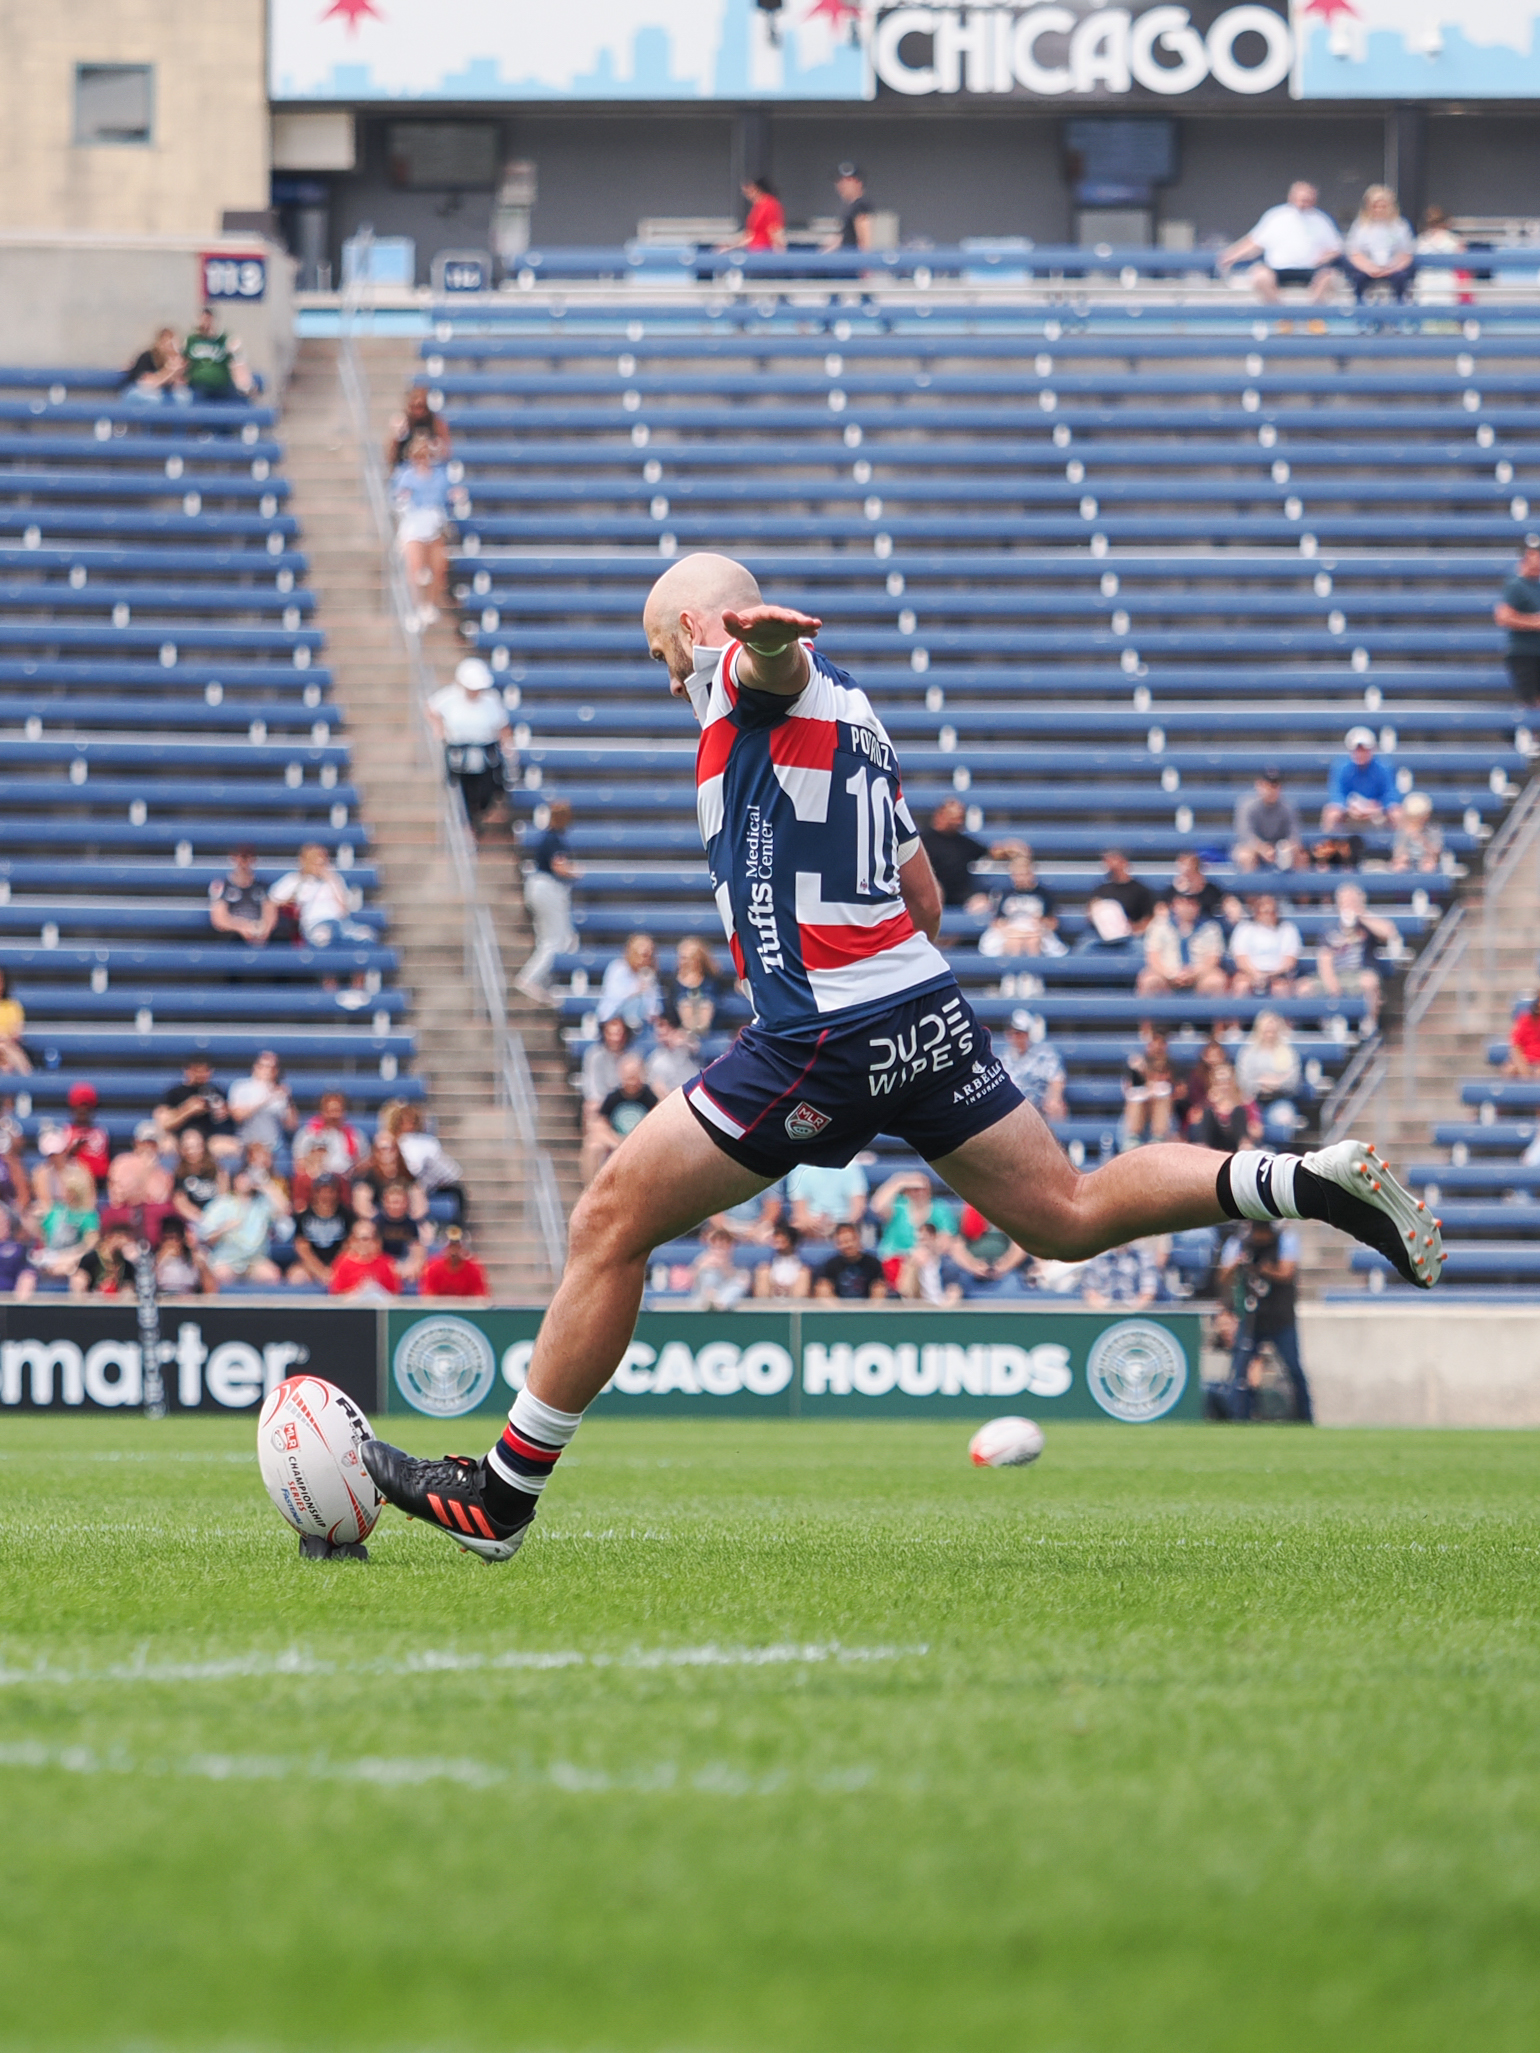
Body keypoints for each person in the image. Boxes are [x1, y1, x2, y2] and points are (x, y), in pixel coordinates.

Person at [359, 550, 1444, 1564]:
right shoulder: (859, 719)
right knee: (1062, 1213)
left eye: (663, 653)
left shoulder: (745, 677)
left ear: (694, 628)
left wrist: (761, 643)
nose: (666, 676)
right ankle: (1297, 1179)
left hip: (820, 1031)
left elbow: (763, 661)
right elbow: (923, 899)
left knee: (608, 1221)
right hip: (918, 1006)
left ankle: (500, 1495)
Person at [1218, 1220, 1312, 1423]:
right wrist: (1238, 1265)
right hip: (1252, 1319)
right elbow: (1223, 1275)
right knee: (1239, 1371)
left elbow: (1286, 1272)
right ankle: (1239, 1417)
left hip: (1281, 1318)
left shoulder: (1285, 1240)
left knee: (1294, 1370)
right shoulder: (1239, 1243)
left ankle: (1306, 1418)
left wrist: (1263, 1269)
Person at [1218, 182, 1343, 304]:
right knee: (1260, 276)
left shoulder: (1322, 220)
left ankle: (1313, 316)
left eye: (1307, 199)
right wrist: (1232, 255)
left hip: (1309, 269)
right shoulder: (1276, 216)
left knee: (1328, 277)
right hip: (1278, 269)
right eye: (1301, 199)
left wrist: (1324, 257)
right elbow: (1254, 242)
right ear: (1292, 197)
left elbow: (1336, 248)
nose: (1303, 203)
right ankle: (1282, 315)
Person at [428, 658, 513, 832]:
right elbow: (431, 709)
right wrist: (440, 728)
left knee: (488, 790)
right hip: (460, 754)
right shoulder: (449, 696)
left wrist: (507, 744)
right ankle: (469, 824)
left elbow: (502, 726)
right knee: (463, 791)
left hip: (485, 754)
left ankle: (476, 817)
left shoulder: (491, 700)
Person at [514, 799, 580, 1005]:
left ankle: (541, 981)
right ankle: (530, 978)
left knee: (551, 938)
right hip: (547, 887)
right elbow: (559, 865)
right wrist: (576, 872)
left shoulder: (550, 838)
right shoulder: (554, 839)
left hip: (539, 886)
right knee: (554, 939)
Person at [1308, 883, 1395, 1033]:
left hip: (1358, 974)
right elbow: (1324, 958)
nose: (1349, 905)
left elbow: (1389, 932)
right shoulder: (1330, 927)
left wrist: (1362, 915)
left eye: (1352, 900)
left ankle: (1369, 1024)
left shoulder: (1367, 924)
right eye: (1345, 901)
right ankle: (1325, 1024)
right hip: (1336, 974)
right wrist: (1332, 984)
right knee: (1304, 988)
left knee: (1370, 981)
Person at [391, 434, 455, 629]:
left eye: (426, 455)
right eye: (419, 456)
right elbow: (397, 499)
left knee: (438, 566)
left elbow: (446, 497)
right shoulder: (405, 476)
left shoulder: (440, 476)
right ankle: (414, 608)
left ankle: (430, 604)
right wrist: (403, 498)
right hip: (414, 524)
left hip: (433, 524)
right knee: (415, 568)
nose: (422, 460)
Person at [919, 799, 1020, 912]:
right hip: (930, 893)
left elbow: (991, 852)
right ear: (940, 816)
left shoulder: (963, 843)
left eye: (960, 818)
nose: (958, 821)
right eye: (954, 817)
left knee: (982, 905)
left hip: (961, 894)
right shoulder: (923, 841)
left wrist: (1010, 849)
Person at [267, 843, 372, 949]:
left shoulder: (334, 879)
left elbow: (344, 910)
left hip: (339, 923)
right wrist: (290, 902)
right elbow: (272, 900)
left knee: (367, 936)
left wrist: (331, 880)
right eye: (314, 861)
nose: (318, 865)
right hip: (315, 924)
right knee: (323, 937)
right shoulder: (295, 880)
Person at [196, 1167, 282, 1287]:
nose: (245, 1181)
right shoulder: (221, 1204)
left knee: (271, 1275)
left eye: (248, 1178)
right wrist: (224, 1228)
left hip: (255, 1259)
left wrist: (265, 1184)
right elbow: (205, 1237)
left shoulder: (262, 1204)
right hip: (227, 1259)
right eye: (242, 1177)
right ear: (235, 1180)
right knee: (220, 1275)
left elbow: (284, 1209)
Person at [583, 1054, 658, 1186]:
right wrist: (617, 1143)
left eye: (635, 1076)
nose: (632, 1081)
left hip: (642, 1141)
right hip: (616, 1140)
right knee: (593, 1145)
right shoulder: (613, 1098)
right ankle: (590, 1188)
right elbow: (600, 1123)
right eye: (629, 1077)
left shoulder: (650, 1097)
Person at [1137, 897, 1228, 1000]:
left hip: (1199, 974)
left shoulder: (1210, 928)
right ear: (1174, 905)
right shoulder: (1159, 926)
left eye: (1192, 904)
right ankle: (1149, 1016)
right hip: (1166, 973)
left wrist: (1193, 974)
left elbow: (1213, 958)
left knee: (1216, 980)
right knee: (1149, 980)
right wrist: (1171, 974)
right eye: (1183, 903)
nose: (1187, 908)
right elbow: (1153, 957)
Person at [101, 1122, 176, 1243]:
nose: (148, 1146)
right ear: (136, 1142)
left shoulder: (164, 1172)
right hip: (126, 1219)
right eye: (145, 1142)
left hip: (153, 1222)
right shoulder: (122, 1162)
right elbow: (122, 1197)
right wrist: (145, 1170)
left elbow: (162, 1199)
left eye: (153, 1143)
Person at [1235, 1011, 1302, 1143]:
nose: (1269, 1031)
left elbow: (1293, 1081)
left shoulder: (1288, 1052)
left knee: (1283, 1119)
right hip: (1253, 1100)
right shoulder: (1247, 1053)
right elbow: (1243, 1081)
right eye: (1266, 1028)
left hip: (1281, 1099)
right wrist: (1269, 1081)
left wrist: (1273, 1083)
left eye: (1272, 1028)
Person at [155, 1057, 239, 1161]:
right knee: (166, 1146)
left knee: (232, 1147)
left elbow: (233, 1117)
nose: (200, 1075)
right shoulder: (175, 1093)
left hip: (209, 1141)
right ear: (187, 1071)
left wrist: (225, 1111)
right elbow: (164, 1123)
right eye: (196, 1071)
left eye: (204, 1071)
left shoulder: (217, 1092)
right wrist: (187, 1110)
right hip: (179, 1140)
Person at [1342, 186, 1416, 303]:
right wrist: (1370, 268)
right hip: (1367, 268)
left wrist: (1391, 268)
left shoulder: (1400, 226)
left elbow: (1406, 254)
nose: (1379, 210)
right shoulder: (1360, 226)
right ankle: (1360, 312)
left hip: (1393, 268)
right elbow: (1354, 253)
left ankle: (1399, 312)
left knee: (1401, 278)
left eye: (1383, 206)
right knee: (1358, 278)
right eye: (1375, 206)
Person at [1077, 849, 1155, 955]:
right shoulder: (1100, 889)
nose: (1110, 863)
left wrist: (1135, 928)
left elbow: (1149, 918)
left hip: (1129, 937)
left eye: (1114, 859)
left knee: (1141, 948)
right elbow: (1090, 915)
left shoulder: (1140, 889)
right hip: (1101, 936)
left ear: (1124, 862)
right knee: (1083, 947)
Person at [1322, 728, 1400, 833]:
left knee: (1397, 813)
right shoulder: (1341, 767)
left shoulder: (1384, 767)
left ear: (1372, 750)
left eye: (1364, 750)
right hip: (1349, 812)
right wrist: (1348, 807)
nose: (1360, 754)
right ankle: (1331, 845)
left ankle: (1399, 847)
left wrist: (1379, 806)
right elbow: (1337, 793)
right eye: (1357, 750)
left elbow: (1390, 793)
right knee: (1331, 813)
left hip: (1377, 812)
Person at [998, 1010, 1067, 1123]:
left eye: (1021, 1033)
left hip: (1040, 1108)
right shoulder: (1002, 1058)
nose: (1018, 1037)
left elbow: (1057, 1079)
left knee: (1056, 1107)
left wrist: (1053, 1099)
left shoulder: (1044, 1053)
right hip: (1013, 1110)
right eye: (1014, 1032)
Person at [1494, 542, 1540, 709]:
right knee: (1530, 702)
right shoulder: (1516, 585)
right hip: (1525, 654)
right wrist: (1534, 622)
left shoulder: (1536, 586)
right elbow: (1503, 617)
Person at [1229, 895, 1303, 998]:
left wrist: (1270, 976)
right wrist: (1256, 975)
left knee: (1281, 989)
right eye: (1264, 912)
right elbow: (1241, 959)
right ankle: (1236, 1013)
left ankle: (1283, 1014)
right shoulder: (1244, 928)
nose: (1268, 915)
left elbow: (1289, 961)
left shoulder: (1287, 929)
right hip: (1249, 973)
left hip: (1278, 975)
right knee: (1241, 985)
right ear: (1256, 912)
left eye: (1272, 912)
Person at [1233, 769, 1302, 874]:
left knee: (1301, 857)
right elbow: (1245, 834)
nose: (1271, 790)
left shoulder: (1287, 807)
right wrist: (1262, 848)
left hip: (1280, 849)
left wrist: (1286, 847)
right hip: (1253, 848)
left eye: (1275, 786)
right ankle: (1252, 890)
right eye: (1267, 785)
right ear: (1259, 785)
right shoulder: (1247, 806)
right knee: (1246, 856)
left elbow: (1294, 834)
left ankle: (1298, 889)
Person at [289, 1174, 353, 1287]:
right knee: (297, 1276)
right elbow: (302, 1249)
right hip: (310, 1265)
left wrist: (335, 1270)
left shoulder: (347, 1216)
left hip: (340, 1264)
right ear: (315, 1193)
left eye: (330, 1191)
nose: (326, 1196)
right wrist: (320, 1272)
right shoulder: (303, 1217)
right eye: (321, 1191)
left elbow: (348, 1247)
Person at [228, 1051, 297, 1153]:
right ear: (255, 1067)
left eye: (273, 1067)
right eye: (264, 1066)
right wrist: (266, 1100)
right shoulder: (241, 1086)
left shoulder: (280, 1091)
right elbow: (238, 1116)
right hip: (247, 1144)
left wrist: (288, 1101)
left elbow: (292, 1126)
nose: (268, 1071)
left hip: (274, 1146)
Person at [183, 307, 254, 401]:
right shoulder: (191, 340)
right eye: (203, 320)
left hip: (221, 385)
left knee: (237, 396)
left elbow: (238, 361)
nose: (206, 323)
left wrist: (245, 384)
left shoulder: (224, 340)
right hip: (198, 385)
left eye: (208, 320)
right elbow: (182, 361)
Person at [46, 1083, 111, 1184]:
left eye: (87, 1108)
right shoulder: (65, 1132)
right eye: (79, 1107)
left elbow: (107, 1162)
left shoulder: (101, 1133)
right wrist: (73, 1151)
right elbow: (56, 1163)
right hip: (72, 1182)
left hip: (99, 1182)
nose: (83, 1110)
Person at [596, 933, 663, 1032]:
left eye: (650, 956)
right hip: (617, 1021)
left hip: (643, 1026)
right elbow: (613, 997)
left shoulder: (649, 974)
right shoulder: (618, 969)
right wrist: (636, 989)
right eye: (643, 955)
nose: (646, 960)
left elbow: (655, 1005)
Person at [786, 1158, 869, 1237]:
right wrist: (815, 1223)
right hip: (812, 1224)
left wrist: (839, 1225)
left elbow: (857, 1208)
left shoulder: (852, 1167)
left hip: (842, 1221)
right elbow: (800, 1211)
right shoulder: (800, 1168)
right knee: (796, 1224)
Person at [1122, 1028, 1176, 1147]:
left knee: (1162, 1099)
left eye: (1160, 1043)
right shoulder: (1135, 1066)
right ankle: (1133, 1140)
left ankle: (1158, 1138)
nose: (1156, 1047)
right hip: (1140, 1111)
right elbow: (1128, 1089)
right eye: (1154, 1043)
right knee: (1136, 1101)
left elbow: (1177, 1091)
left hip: (1163, 1114)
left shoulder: (1171, 1066)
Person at [663, 936, 726, 1037]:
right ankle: (689, 1032)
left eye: (687, 958)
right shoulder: (674, 982)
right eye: (681, 958)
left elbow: (717, 1000)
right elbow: (670, 1005)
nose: (683, 962)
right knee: (685, 1005)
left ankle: (701, 1031)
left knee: (705, 1005)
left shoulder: (710, 980)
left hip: (708, 1024)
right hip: (681, 1025)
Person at [814, 1219, 888, 1301]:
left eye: (850, 1240)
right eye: (842, 1242)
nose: (847, 1245)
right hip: (838, 1307)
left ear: (858, 1239)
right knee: (823, 1288)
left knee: (880, 1289)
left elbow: (880, 1287)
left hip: (867, 1306)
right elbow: (823, 1288)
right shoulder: (831, 1264)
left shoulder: (873, 1263)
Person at [296, 1091, 364, 1178]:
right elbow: (300, 1164)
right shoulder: (309, 1133)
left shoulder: (354, 1135)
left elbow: (363, 1162)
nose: (334, 1115)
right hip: (316, 1182)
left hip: (345, 1181)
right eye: (330, 1111)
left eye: (337, 1111)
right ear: (323, 1111)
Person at [898, 1219, 965, 1306]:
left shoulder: (948, 1265)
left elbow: (954, 1294)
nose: (922, 1244)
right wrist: (912, 1266)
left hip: (942, 1311)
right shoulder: (913, 1265)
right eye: (919, 1241)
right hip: (920, 1310)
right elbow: (905, 1293)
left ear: (934, 1238)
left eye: (924, 1239)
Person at [327, 1220, 401, 1298]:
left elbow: (394, 1294)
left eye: (366, 1239)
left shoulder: (386, 1263)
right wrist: (358, 1290)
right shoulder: (343, 1263)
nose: (361, 1243)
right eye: (357, 1239)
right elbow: (335, 1295)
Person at [1079, 1240, 1159, 1311]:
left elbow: (1148, 1292)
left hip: (1135, 1314)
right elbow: (1090, 1292)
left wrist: (1130, 1312)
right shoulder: (1097, 1258)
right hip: (1104, 1313)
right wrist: (1107, 1313)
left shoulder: (1144, 1258)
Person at [1415, 205, 1470, 309]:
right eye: (1432, 223)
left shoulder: (1455, 240)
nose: (1435, 226)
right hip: (1426, 279)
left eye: (1438, 222)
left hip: (1447, 278)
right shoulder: (1421, 240)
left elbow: (1463, 264)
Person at [120, 326, 191, 405]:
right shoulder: (147, 357)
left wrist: (177, 372)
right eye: (167, 343)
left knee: (183, 397)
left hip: (163, 392)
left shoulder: (176, 358)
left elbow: (180, 383)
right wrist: (171, 371)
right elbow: (150, 383)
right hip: (137, 390)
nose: (169, 347)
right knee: (153, 399)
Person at [385, 386, 450, 470]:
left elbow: (446, 453)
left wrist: (435, 448)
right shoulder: (402, 423)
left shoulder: (436, 423)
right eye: (413, 407)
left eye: (421, 406)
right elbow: (390, 457)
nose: (417, 411)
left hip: (431, 470)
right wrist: (397, 437)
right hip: (406, 470)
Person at [171, 1128, 224, 1227]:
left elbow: (223, 1197)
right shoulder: (180, 1174)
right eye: (188, 1148)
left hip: (217, 1218)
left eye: (196, 1147)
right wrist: (200, 1219)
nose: (192, 1151)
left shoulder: (216, 1170)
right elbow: (180, 1203)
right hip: (194, 1222)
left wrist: (214, 1218)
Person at [720, 176, 786, 255]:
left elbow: (775, 231)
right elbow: (750, 235)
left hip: (764, 252)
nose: (746, 194)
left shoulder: (770, 204)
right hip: (754, 252)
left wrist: (780, 256)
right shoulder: (757, 207)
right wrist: (730, 247)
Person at [420, 1224, 490, 1299]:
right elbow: (428, 1297)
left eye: (457, 1246)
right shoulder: (434, 1268)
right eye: (451, 1246)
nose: (454, 1251)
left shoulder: (474, 1269)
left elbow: (481, 1297)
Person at [689, 1223, 749, 1310]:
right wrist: (701, 1267)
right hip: (702, 1299)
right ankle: (710, 1300)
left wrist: (724, 1266)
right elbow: (691, 1280)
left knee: (740, 1282)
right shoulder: (703, 1258)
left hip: (725, 1301)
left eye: (722, 1247)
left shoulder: (738, 1261)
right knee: (709, 1273)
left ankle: (718, 1303)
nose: (718, 1251)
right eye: (715, 1247)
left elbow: (742, 1281)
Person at [71, 1221, 139, 1297]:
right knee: (78, 1280)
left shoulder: (125, 1263)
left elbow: (129, 1283)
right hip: (92, 1297)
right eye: (122, 1237)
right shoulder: (91, 1258)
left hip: (117, 1300)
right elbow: (80, 1276)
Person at [752, 1221, 810, 1299]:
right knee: (763, 1272)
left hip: (794, 1300)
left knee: (803, 1274)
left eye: (782, 1236)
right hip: (770, 1298)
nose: (778, 1239)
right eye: (777, 1235)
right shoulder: (767, 1265)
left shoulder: (801, 1267)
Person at [825, 162, 874, 254]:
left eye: (847, 181)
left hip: (854, 261)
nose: (841, 186)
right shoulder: (849, 207)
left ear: (858, 183)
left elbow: (865, 239)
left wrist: (865, 264)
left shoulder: (860, 205)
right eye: (839, 182)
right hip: (845, 258)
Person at [154, 1217, 211, 1296]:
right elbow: (148, 1284)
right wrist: (160, 1260)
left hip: (188, 1299)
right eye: (168, 1239)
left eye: (176, 1239)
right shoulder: (155, 1259)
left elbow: (210, 1289)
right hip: (163, 1298)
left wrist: (202, 1267)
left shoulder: (194, 1257)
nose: (172, 1243)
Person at [1391, 792, 1444, 874]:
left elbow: (1436, 851)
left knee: (1428, 866)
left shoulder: (1433, 829)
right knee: (1400, 867)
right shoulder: (1402, 831)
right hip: (1408, 859)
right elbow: (1397, 852)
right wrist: (1403, 857)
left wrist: (1419, 836)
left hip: (1426, 858)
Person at [0, 1205, 36, 1299]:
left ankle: (18, 1311)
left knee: (27, 1278)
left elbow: (27, 1271)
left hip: (9, 1299)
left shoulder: (17, 1248)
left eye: (5, 1220)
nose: (4, 1224)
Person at [0, 967, 29, 1073]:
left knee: (6, 1051)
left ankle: (23, 1083)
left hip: (9, 1046)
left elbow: (16, 1031)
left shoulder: (13, 1006)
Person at [1505, 997, 1540, 1078]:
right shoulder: (1525, 1019)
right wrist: (1522, 1067)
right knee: (1510, 1070)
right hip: (1526, 1061)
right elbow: (1516, 1047)